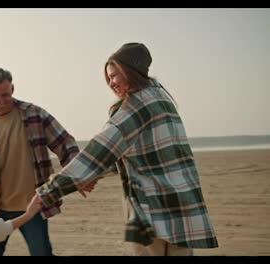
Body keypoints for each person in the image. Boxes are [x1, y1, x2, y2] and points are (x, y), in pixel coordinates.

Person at [35, 43, 219, 256]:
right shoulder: (162, 99)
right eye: (109, 77)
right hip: (185, 205)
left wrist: (50, 191)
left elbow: (100, 151)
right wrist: (92, 176)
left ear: (131, 71)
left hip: (151, 209)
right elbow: (132, 153)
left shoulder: (134, 107)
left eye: (115, 75)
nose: (111, 83)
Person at [0, 67, 92, 256]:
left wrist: (80, 175)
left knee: (41, 253)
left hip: (33, 205)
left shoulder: (35, 114)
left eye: (5, 95)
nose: (0, 102)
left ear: (13, 88)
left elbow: (64, 143)